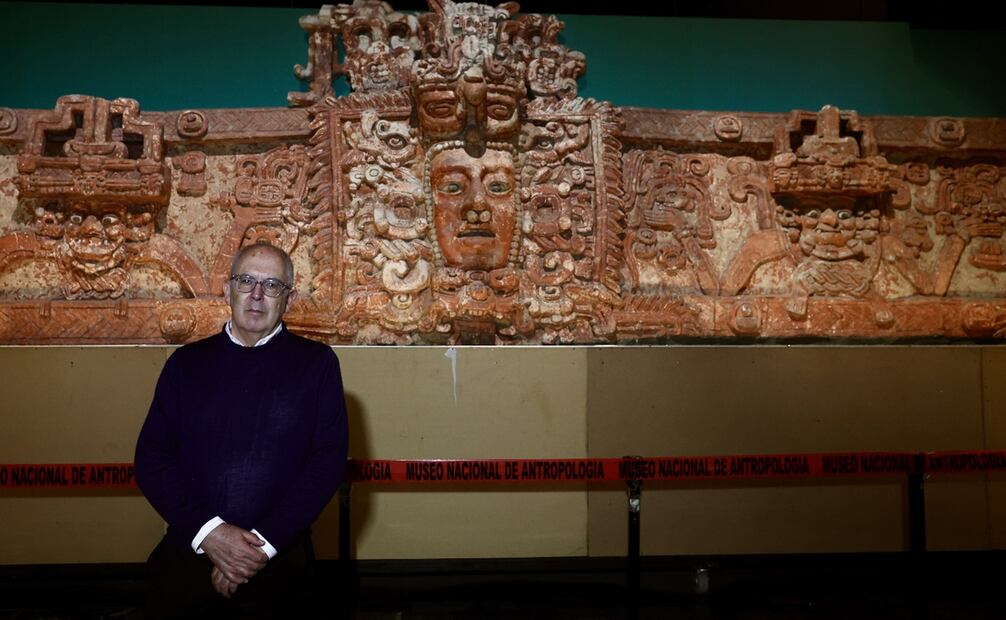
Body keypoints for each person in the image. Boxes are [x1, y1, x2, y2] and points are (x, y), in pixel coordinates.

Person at [135, 242, 348, 617]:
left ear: (290, 298)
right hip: (189, 557)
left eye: (272, 285)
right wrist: (212, 535)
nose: (257, 295)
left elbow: (325, 464)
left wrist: (257, 549)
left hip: (281, 567)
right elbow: (153, 459)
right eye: (246, 280)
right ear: (227, 289)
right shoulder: (185, 365)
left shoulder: (317, 365)